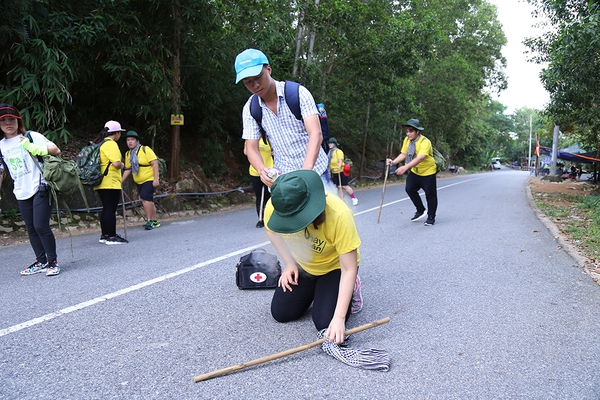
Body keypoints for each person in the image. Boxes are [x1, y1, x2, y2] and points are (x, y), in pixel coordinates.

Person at [264, 170, 363, 344]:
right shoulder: (276, 205)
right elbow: (271, 230)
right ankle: (319, 290)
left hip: (336, 267)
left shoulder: (339, 214)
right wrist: (289, 264)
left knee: (325, 324)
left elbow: (349, 268)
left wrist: (339, 318)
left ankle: (352, 289)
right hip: (304, 265)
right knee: (282, 313)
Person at [235, 48, 330, 188]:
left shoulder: (298, 93)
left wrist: (305, 172)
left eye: (258, 77)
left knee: (325, 210)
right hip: (283, 179)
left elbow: (316, 134)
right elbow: (251, 148)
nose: (255, 85)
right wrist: (262, 170)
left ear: (269, 70)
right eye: (248, 82)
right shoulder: (250, 109)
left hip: (316, 172)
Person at [0, 104, 61, 276]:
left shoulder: (30, 136)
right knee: (31, 228)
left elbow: (56, 150)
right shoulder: (1, 146)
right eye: (3, 120)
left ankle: (53, 262)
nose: (8, 123)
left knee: (41, 225)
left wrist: (33, 147)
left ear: (18, 120)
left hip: (40, 185)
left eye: (11, 119)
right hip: (21, 190)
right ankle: (41, 261)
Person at [386, 118, 438, 226]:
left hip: (428, 172)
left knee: (430, 195)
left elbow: (420, 158)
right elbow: (404, 154)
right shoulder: (407, 140)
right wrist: (393, 162)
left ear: (417, 131)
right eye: (407, 131)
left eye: (411, 131)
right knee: (409, 189)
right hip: (415, 171)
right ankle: (420, 209)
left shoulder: (425, 142)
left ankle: (431, 217)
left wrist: (405, 167)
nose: (408, 134)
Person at [94, 120, 128, 244]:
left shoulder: (100, 143)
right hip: (110, 181)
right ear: (117, 133)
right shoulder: (111, 144)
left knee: (106, 208)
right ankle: (112, 237)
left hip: (100, 181)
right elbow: (116, 163)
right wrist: (122, 164)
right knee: (110, 209)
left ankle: (105, 234)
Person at [121, 131, 160, 230]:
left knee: (145, 199)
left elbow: (155, 163)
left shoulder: (145, 149)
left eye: (132, 140)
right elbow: (128, 169)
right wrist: (121, 181)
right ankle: (154, 220)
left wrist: (156, 179)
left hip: (149, 179)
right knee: (149, 200)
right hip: (138, 181)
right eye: (128, 140)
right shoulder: (128, 154)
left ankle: (149, 220)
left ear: (137, 141)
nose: (130, 142)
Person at [244, 139, 273, 228]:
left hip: (270, 170)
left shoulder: (268, 138)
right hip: (255, 171)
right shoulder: (250, 139)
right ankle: (261, 219)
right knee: (259, 196)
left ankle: (271, 218)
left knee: (269, 195)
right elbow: (246, 151)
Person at [327, 137, 358, 205]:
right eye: (329, 143)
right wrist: (329, 171)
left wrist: (339, 166)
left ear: (334, 144)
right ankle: (342, 200)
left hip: (341, 171)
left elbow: (340, 160)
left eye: (331, 143)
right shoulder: (330, 153)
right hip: (334, 172)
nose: (329, 144)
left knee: (344, 186)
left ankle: (354, 198)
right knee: (338, 186)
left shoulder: (339, 151)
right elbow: (329, 163)